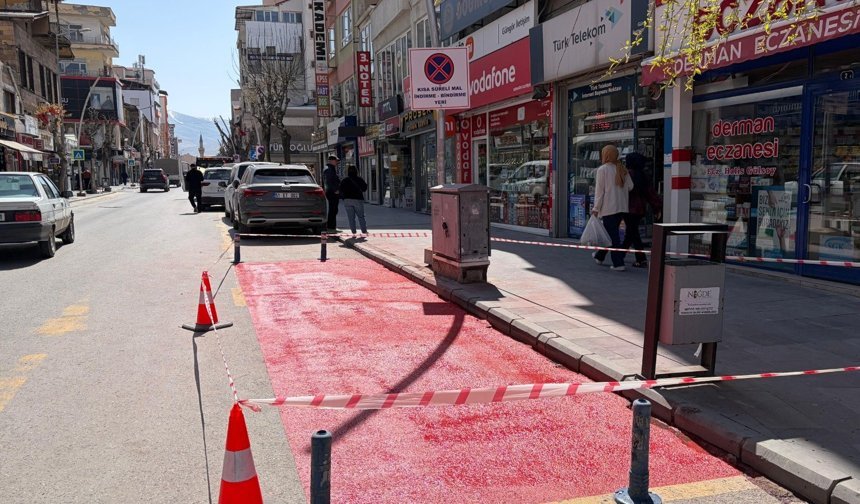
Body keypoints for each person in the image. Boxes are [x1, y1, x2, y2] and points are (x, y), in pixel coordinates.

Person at [591, 144, 634, 271]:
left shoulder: (602, 170)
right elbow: (631, 186)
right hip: (622, 207)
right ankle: (599, 256)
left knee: (613, 236)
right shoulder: (622, 169)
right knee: (609, 234)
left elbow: (600, 192)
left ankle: (618, 263)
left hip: (609, 208)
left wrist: (596, 208)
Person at [622, 152, 662, 268]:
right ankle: (638, 259)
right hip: (639, 210)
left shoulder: (626, 175)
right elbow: (650, 194)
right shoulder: (643, 176)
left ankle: (619, 257)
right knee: (632, 234)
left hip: (626, 208)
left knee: (631, 234)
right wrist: (657, 208)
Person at [339, 165, 368, 236]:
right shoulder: (359, 179)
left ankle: (353, 232)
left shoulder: (344, 180)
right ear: (356, 171)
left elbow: (340, 190)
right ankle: (364, 231)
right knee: (361, 216)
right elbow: (364, 188)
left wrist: (344, 198)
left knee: (351, 217)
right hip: (358, 199)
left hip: (347, 200)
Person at [323, 155, 341, 231]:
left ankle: (332, 226)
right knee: (333, 209)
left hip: (331, 192)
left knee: (334, 210)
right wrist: (335, 190)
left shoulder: (330, 168)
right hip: (332, 193)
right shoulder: (329, 169)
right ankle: (331, 227)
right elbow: (329, 181)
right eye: (335, 161)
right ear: (331, 161)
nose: (337, 162)